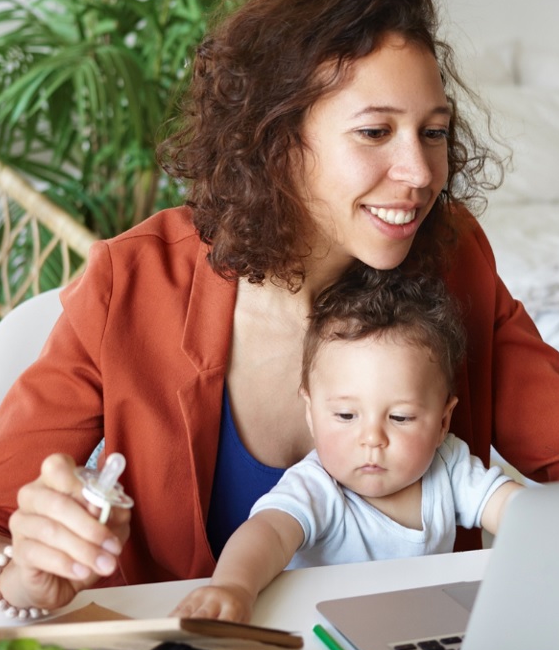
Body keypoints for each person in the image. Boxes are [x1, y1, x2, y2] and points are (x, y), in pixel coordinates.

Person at [0, 0, 559, 616]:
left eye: (433, 132)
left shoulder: (455, 260)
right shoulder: (131, 283)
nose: (418, 171)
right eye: (375, 131)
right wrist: (19, 574)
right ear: (276, 136)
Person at [173, 266, 522, 623]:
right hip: (320, 636)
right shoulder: (318, 487)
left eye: (400, 418)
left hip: (414, 632)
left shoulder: (448, 467)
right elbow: (269, 533)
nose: (372, 438)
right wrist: (234, 587)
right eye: (345, 415)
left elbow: (514, 509)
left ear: (443, 422)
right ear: (311, 413)